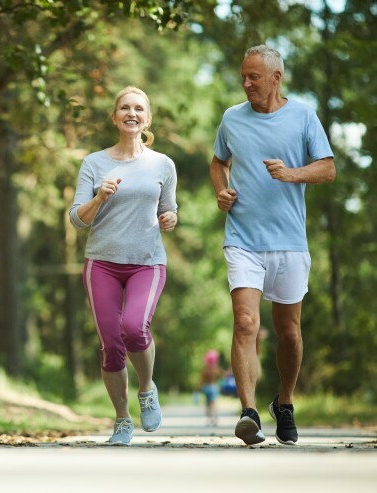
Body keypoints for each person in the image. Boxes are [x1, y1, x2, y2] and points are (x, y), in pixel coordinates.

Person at [209, 45, 336, 446]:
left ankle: (284, 402)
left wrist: (292, 173)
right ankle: (248, 413)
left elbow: (328, 169)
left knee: (289, 332)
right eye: (243, 76)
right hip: (243, 237)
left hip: (289, 241)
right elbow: (218, 162)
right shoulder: (232, 118)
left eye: (254, 77)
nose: (246, 83)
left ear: (276, 78)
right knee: (245, 322)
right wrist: (221, 191)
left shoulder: (302, 116)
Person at [69, 86, 178, 445]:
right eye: (125, 108)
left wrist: (170, 219)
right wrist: (100, 196)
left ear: (147, 118)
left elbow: (168, 209)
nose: (132, 113)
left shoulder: (162, 164)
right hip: (101, 262)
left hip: (147, 263)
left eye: (139, 109)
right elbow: (76, 219)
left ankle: (146, 388)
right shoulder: (94, 163)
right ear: (115, 117)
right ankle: (121, 419)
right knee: (111, 344)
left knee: (134, 327)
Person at [197, 350, 223, 426]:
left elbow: (201, 380)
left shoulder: (205, 370)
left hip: (207, 388)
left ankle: (208, 419)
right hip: (214, 387)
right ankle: (215, 418)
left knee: (207, 403)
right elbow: (223, 376)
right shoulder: (216, 369)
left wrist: (197, 387)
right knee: (213, 403)